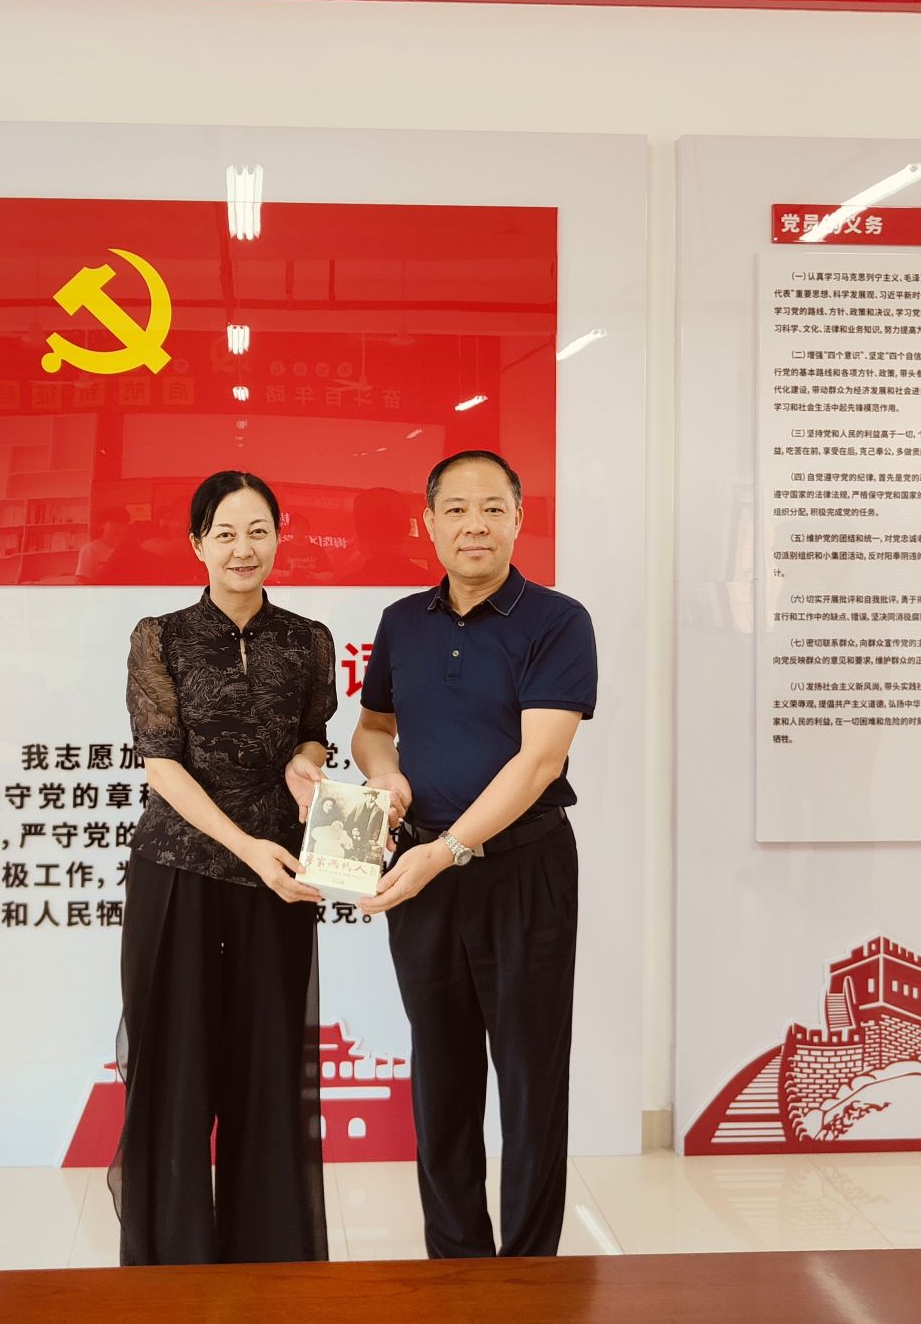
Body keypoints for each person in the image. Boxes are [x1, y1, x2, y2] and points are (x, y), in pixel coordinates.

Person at [350, 449, 597, 1258]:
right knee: (441, 1074)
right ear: (428, 523)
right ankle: (456, 1266)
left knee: (529, 1082)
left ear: (519, 518)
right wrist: (385, 778)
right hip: (420, 869)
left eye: (493, 508)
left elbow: (541, 761)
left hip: (523, 871)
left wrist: (452, 848)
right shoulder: (402, 622)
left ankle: (528, 1276)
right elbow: (373, 728)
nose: (474, 525)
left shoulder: (557, 620)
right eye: (455, 509)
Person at [112, 469, 336, 1265]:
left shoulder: (308, 639)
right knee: (175, 1074)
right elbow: (161, 765)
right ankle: (172, 1269)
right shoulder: (160, 636)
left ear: (279, 536)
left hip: (282, 881)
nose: (244, 548)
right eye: (226, 533)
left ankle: (269, 1268)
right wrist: (245, 846)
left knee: (266, 1074)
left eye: (258, 531)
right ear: (197, 544)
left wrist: (306, 766)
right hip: (180, 875)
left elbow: (312, 734)